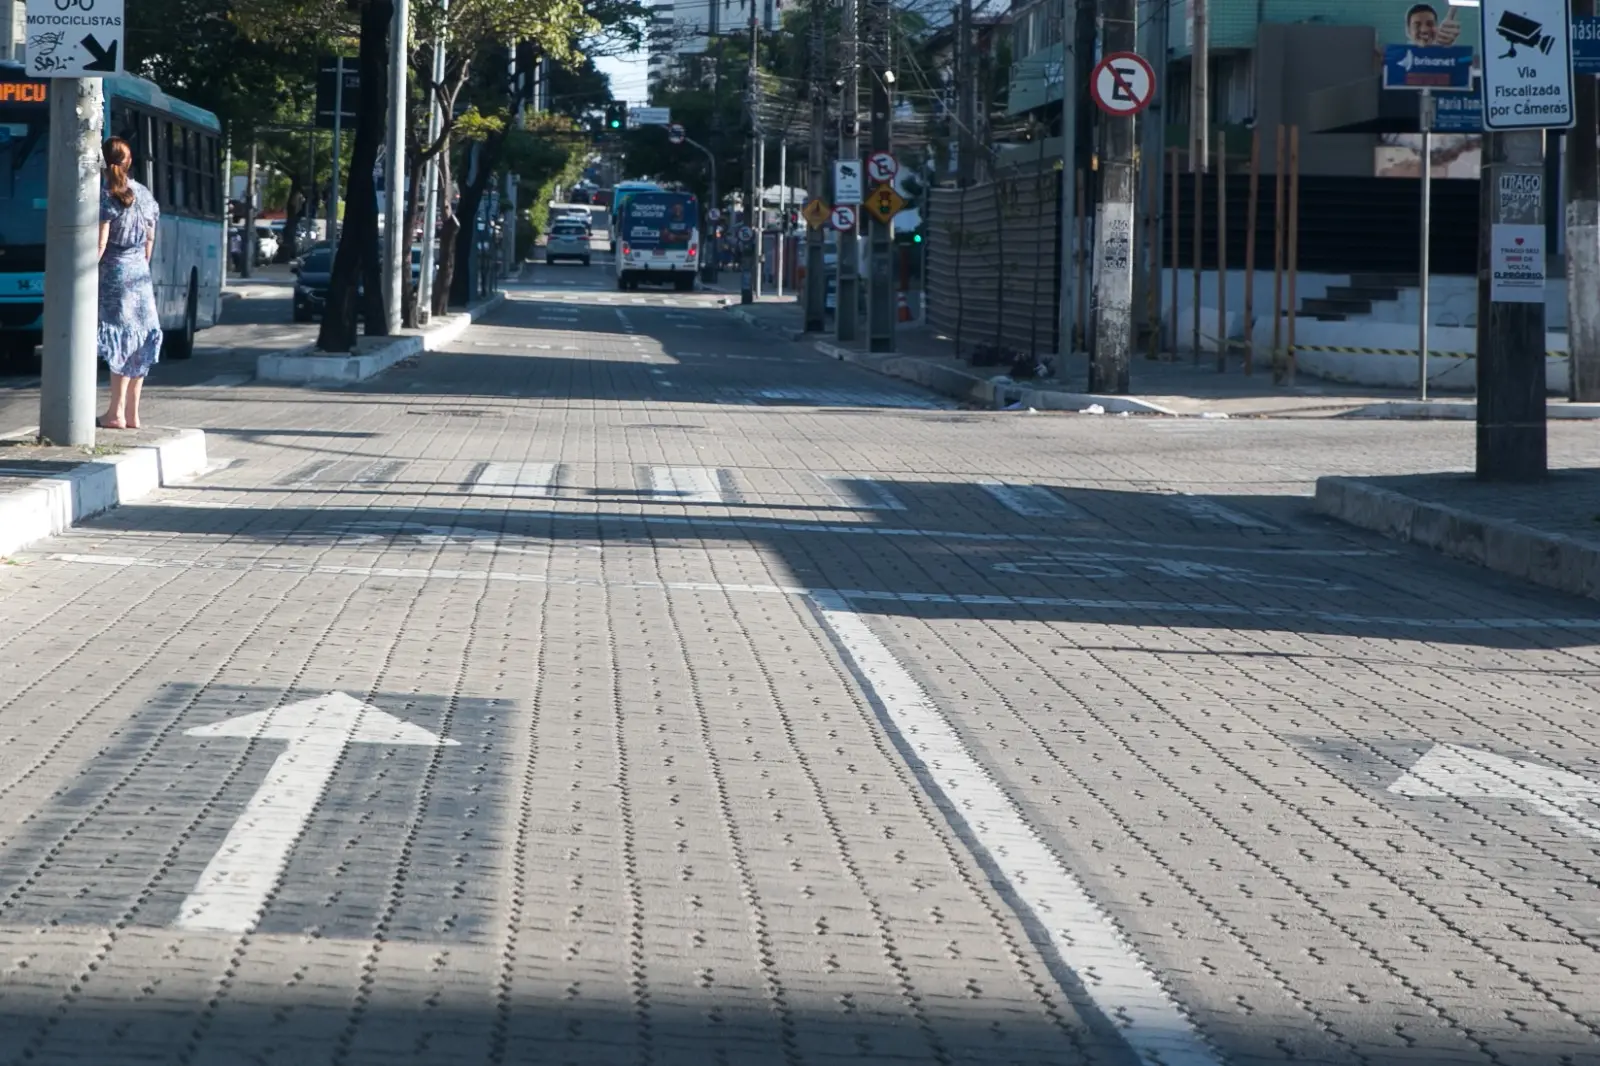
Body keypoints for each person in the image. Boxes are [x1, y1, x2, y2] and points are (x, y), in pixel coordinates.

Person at [96, 136, 162, 430]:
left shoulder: (106, 195)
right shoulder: (144, 195)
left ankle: (114, 413)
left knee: (120, 340)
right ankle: (133, 414)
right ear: (129, 161)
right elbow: (149, 245)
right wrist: (139, 265)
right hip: (140, 278)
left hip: (114, 276)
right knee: (140, 339)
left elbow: (100, 246)